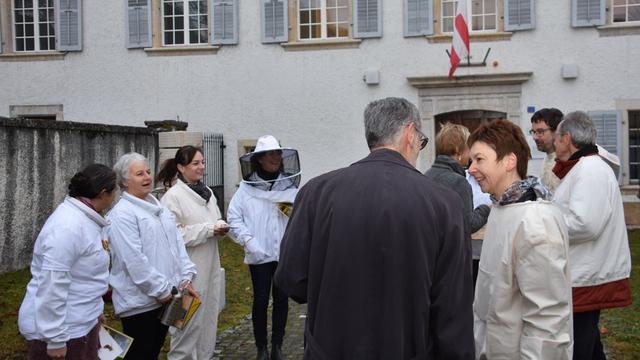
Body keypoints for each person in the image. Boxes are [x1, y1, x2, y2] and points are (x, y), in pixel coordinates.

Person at [275, 97, 474, 359]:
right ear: (410, 134)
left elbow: (293, 280)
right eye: (421, 142)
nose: (418, 149)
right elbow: (452, 309)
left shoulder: (316, 192)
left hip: (331, 348)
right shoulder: (445, 203)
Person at [468, 119, 573, 359]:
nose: (471, 168)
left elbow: (547, 318)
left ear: (509, 161)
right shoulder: (501, 209)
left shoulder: (535, 220)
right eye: (471, 160)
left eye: (479, 159)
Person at [552, 111, 632, 360]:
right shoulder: (585, 167)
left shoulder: (590, 170)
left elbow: (585, 223)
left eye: (556, 137)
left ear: (567, 138)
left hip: (588, 275)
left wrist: (544, 222)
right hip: (586, 272)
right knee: (589, 342)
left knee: (580, 345)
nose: (554, 143)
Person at [18, 164, 117, 360]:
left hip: (80, 322)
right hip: (60, 332)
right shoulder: (67, 227)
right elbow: (52, 284)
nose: (116, 195)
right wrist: (55, 338)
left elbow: (86, 275)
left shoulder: (87, 219)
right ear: (104, 193)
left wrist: (94, 312)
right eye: (115, 190)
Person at [107, 152, 197, 360]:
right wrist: (163, 290)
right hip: (140, 303)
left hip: (169, 297)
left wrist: (185, 277)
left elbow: (176, 246)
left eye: (148, 172)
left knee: (154, 350)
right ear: (125, 181)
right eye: (139, 174)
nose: (147, 177)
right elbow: (134, 261)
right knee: (141, 353)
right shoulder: (122, 215)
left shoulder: (160, 208)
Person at [227, 135, 300, 360]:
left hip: (283, 253)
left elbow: (300, 216)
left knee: (281, 299)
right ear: (259, 159)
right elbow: (234, 218)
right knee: (260, 300)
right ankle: (261, 348)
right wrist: (249, 241)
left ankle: (277, 345)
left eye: (278, 153)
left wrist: (288, 210)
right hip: (259, 254)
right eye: (270, 154)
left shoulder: (289, 187)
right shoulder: (246, 190)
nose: (275, 158)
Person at [156, 145, 230, 360]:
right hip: (186, 274)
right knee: (185, 326)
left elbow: (214, 220)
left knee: (207, 323)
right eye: (195, 163)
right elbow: (173, 236)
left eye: (203, 162)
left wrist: (219, 227)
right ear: (181, 167)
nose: (201, 167)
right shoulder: (172, 197)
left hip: (211, 267)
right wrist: (208, 230)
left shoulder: (208, 194)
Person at [424, 123, 490, 288]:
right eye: (468, 148)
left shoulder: (427, 176)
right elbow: (468, 225)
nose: (470, 154)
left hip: (430, 257)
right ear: (458, 150)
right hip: (452, 260)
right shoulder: (458, 181)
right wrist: (486, 208)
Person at [530, 108, 564, 192]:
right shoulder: (547, 159)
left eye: (540, 131)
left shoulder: (567, 161)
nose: (535, 137)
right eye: (533, 132)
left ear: (556, 131)